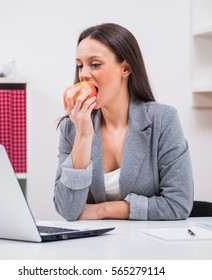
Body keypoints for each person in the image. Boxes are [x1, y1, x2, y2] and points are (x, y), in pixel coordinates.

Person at [54, 23, 193, 221]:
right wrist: (83, 137)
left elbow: (178, 204)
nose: (83, 74)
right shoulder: (72, 127)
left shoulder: (163, 120)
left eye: (94, 64)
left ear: (125, 68)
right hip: (91, 249)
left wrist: (102, 210)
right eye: (79, 65)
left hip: (148, 246)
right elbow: (68, 210)